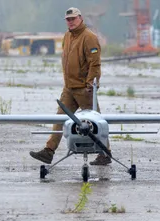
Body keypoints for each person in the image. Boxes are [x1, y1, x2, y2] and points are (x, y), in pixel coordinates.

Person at [29, 7, 111, 166]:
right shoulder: (67, 36)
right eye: (68, 19)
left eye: (73, 18)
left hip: (84, 89)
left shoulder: (89, 37)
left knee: (95, 123)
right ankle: (48, 151)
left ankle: (105, 154)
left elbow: (95, 63)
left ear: (80, 18)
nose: (70, 22)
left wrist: (91, 84)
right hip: (69, 88)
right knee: (59, 119)